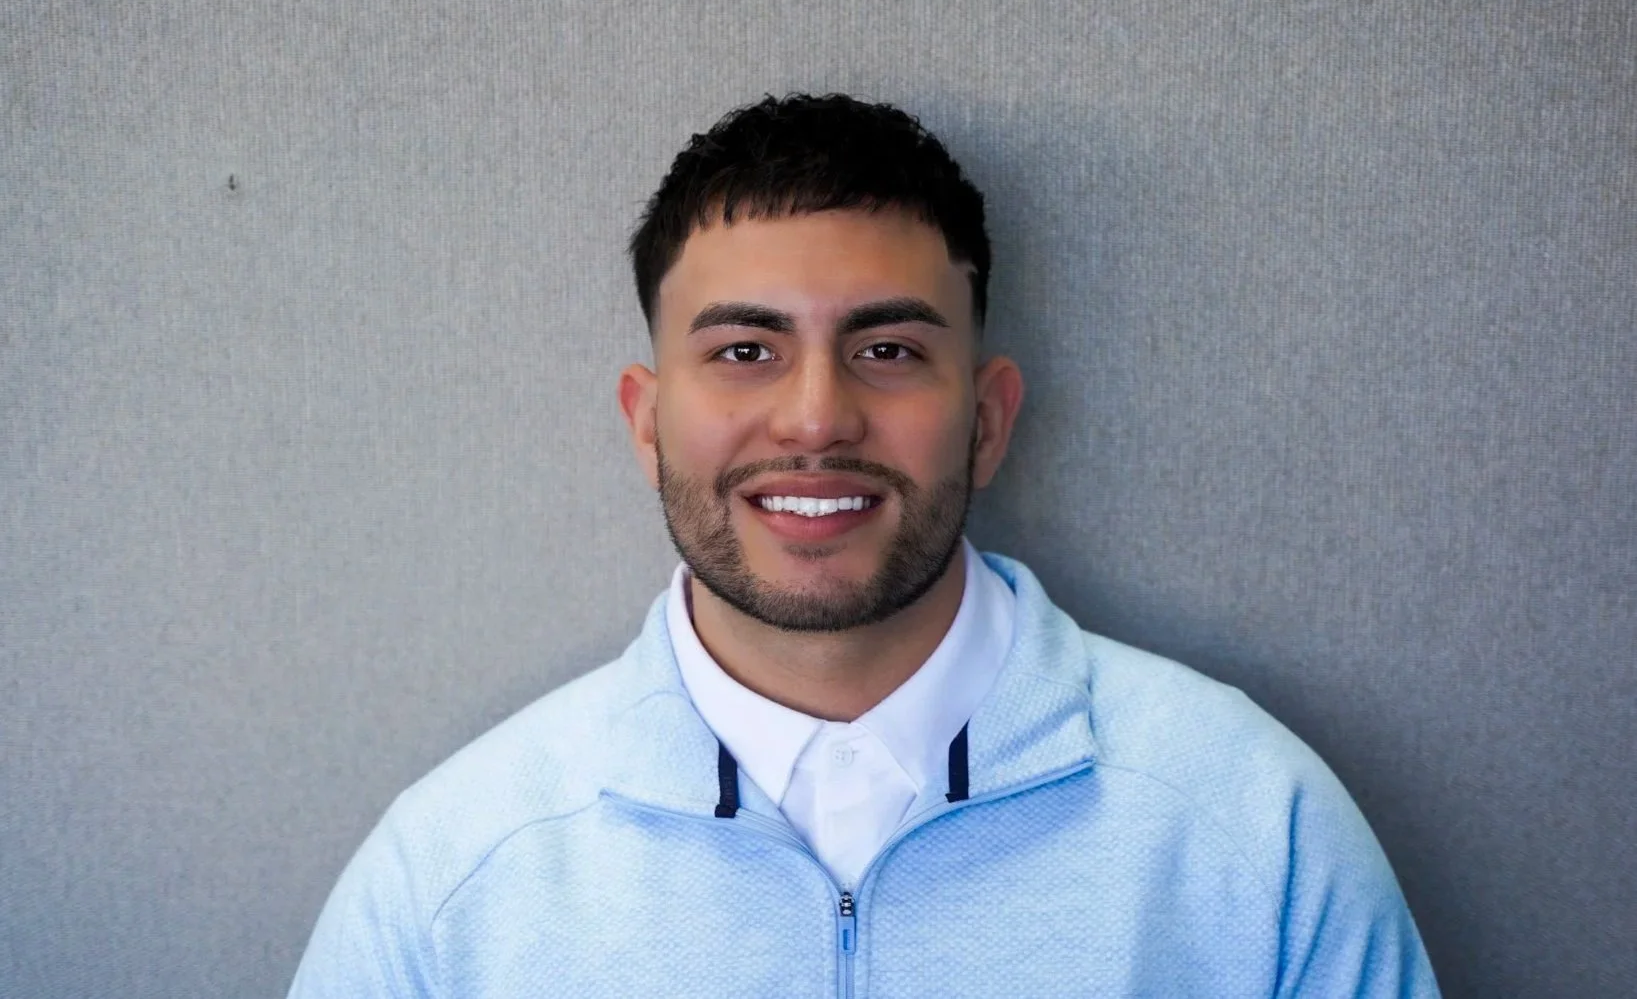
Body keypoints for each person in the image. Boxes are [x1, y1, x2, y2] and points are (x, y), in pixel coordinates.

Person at [288, 94, 1440, 997]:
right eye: (745, 351)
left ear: (985, 419)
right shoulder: (453, 873)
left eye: (886, 350)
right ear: (646, 421)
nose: (813, 419)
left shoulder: (1249, 829)